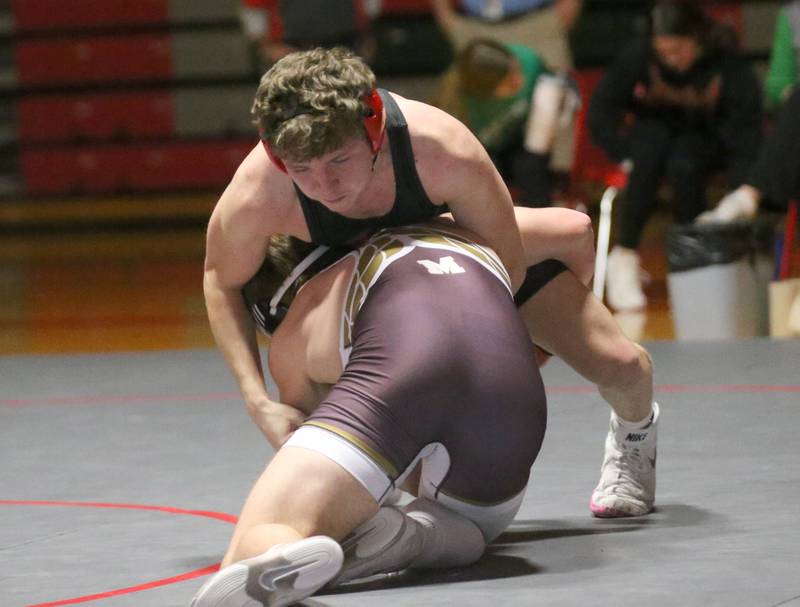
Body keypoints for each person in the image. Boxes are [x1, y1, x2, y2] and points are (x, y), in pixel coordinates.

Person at [203, 46, 659, 519]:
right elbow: (219, 280)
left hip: (472, 262)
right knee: (345, 393)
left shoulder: (440, 148)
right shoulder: (261, 190)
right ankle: (352, 491)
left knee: (622, 365)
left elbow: (513, 258)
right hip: (376, 287)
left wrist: (504, 343)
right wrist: (256, 401)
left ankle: (636, 435)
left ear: (374, 127)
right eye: (302, 170)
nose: (325, 186)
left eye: (339, 160)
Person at [192, 221, 549, 606]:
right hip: (511, 399)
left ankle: (282, 546)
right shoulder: (455, 221)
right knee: (471, 527)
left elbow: (302, 438)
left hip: (404, 368)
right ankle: (410, 538)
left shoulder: (299, 322)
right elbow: (576, 228)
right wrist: (544, 345)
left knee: (275, 523)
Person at [588, 1, 762, 311]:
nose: (672, 59)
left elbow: (746, 128)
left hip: (707, 144)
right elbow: (601, 111)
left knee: (685, 161)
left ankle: (692, 259)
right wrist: (621, 153)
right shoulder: (638, 57)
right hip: (650, 145)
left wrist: (740, 185)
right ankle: (624, 254)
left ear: (698, 38)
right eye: (664, 52)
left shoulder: (726, 61)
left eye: (679, 50)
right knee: (648, 151)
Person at [431, 38, 579, 206]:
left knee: (530, 168)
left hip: (532, 146)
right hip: (487, 153)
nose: (519, 81)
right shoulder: (457, 102)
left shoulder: (529, 61)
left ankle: (542, 220)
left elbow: (563, 91)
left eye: (517, 70)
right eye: (509, 82)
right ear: (484, 94)